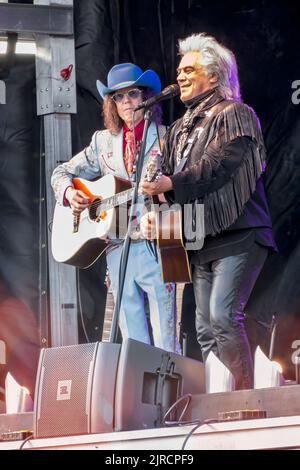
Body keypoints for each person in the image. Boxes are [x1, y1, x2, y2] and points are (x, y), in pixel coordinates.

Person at [141, 33, 277, 389]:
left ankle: (244, 401)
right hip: (201, 237)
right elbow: (166, 182)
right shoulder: (178, 130)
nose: (180, 76)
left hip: (240, 233)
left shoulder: (236, 114)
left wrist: (170, 184)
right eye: (180, 69)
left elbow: (220, 165)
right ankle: (220, 400)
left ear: (214, 76)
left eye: (190, 69)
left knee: (222, 316)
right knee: (203, 326)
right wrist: (155, 209)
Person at [51, 63, 180, 353]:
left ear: (145, 97)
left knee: (166, 335)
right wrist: (71, 193)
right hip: (117, 247)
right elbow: (60, 173)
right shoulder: (102, 142)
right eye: (118, 98)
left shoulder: (167, 137)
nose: (126, 103)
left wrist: (164, 214)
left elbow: (182, 188)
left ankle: (174, 394)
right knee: (132, 338)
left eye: (132, 94)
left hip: (158, 241)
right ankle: (139, 396)